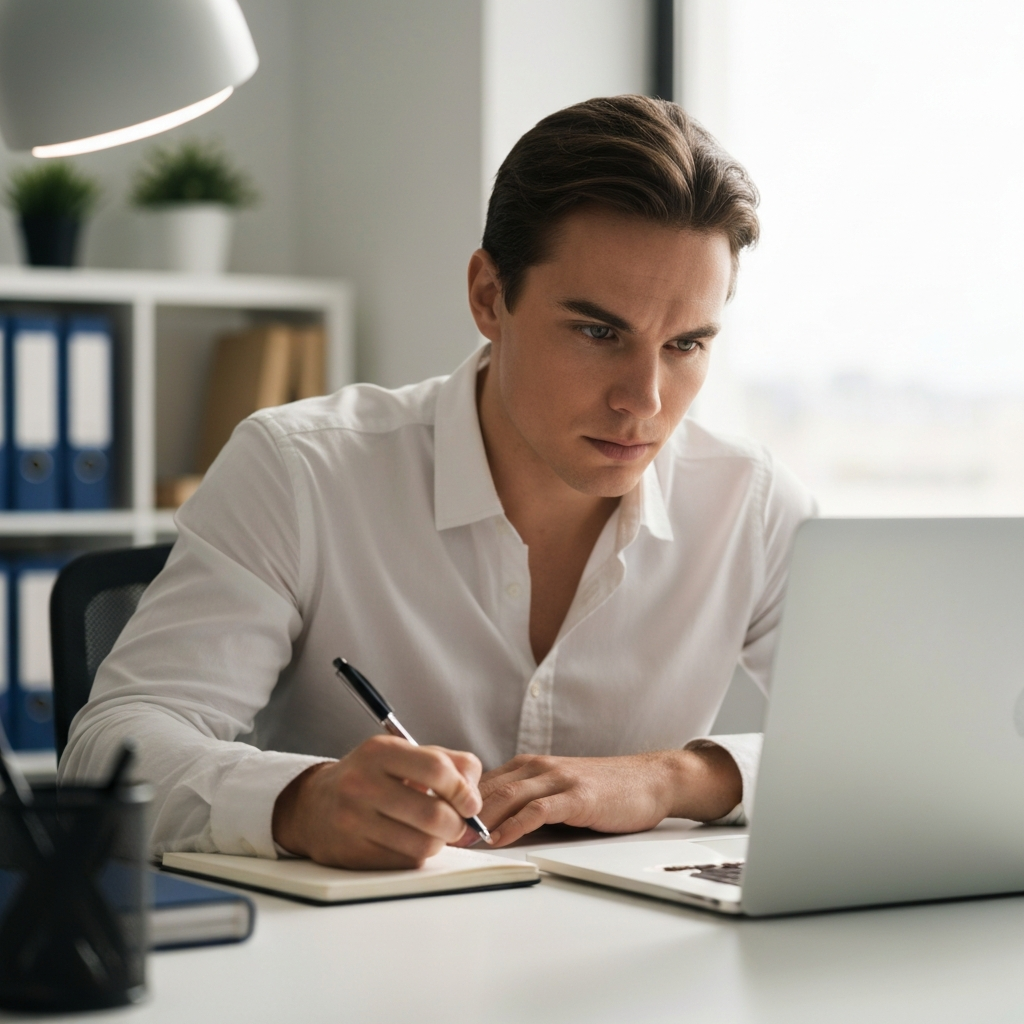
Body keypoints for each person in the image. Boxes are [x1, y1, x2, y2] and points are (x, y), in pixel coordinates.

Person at [59, 95, 814, 869]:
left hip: (635, 962)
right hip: (349, 964)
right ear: (490, 297)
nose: (644, 401)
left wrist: (680, 778)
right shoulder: (300, 471)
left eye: (686, 344)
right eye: (598, 332)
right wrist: (301, 801)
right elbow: (112, 747)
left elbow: (909, 746)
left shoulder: (748, 505)